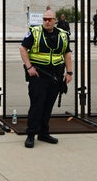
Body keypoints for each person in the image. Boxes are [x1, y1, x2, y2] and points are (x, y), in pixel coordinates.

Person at [19, 9, 73, 148]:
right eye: (44, 19)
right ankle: (31, 134)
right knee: (37, 105)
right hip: (38, 75)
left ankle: (43, 133)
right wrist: (29, 67)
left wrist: (69, 73)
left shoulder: (63, 34)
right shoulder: (35, 32)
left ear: (55, 20)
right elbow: (23, 48)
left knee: (48, 105)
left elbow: (67, 53)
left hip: (56, 75)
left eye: (49, 19)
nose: (47, 22)